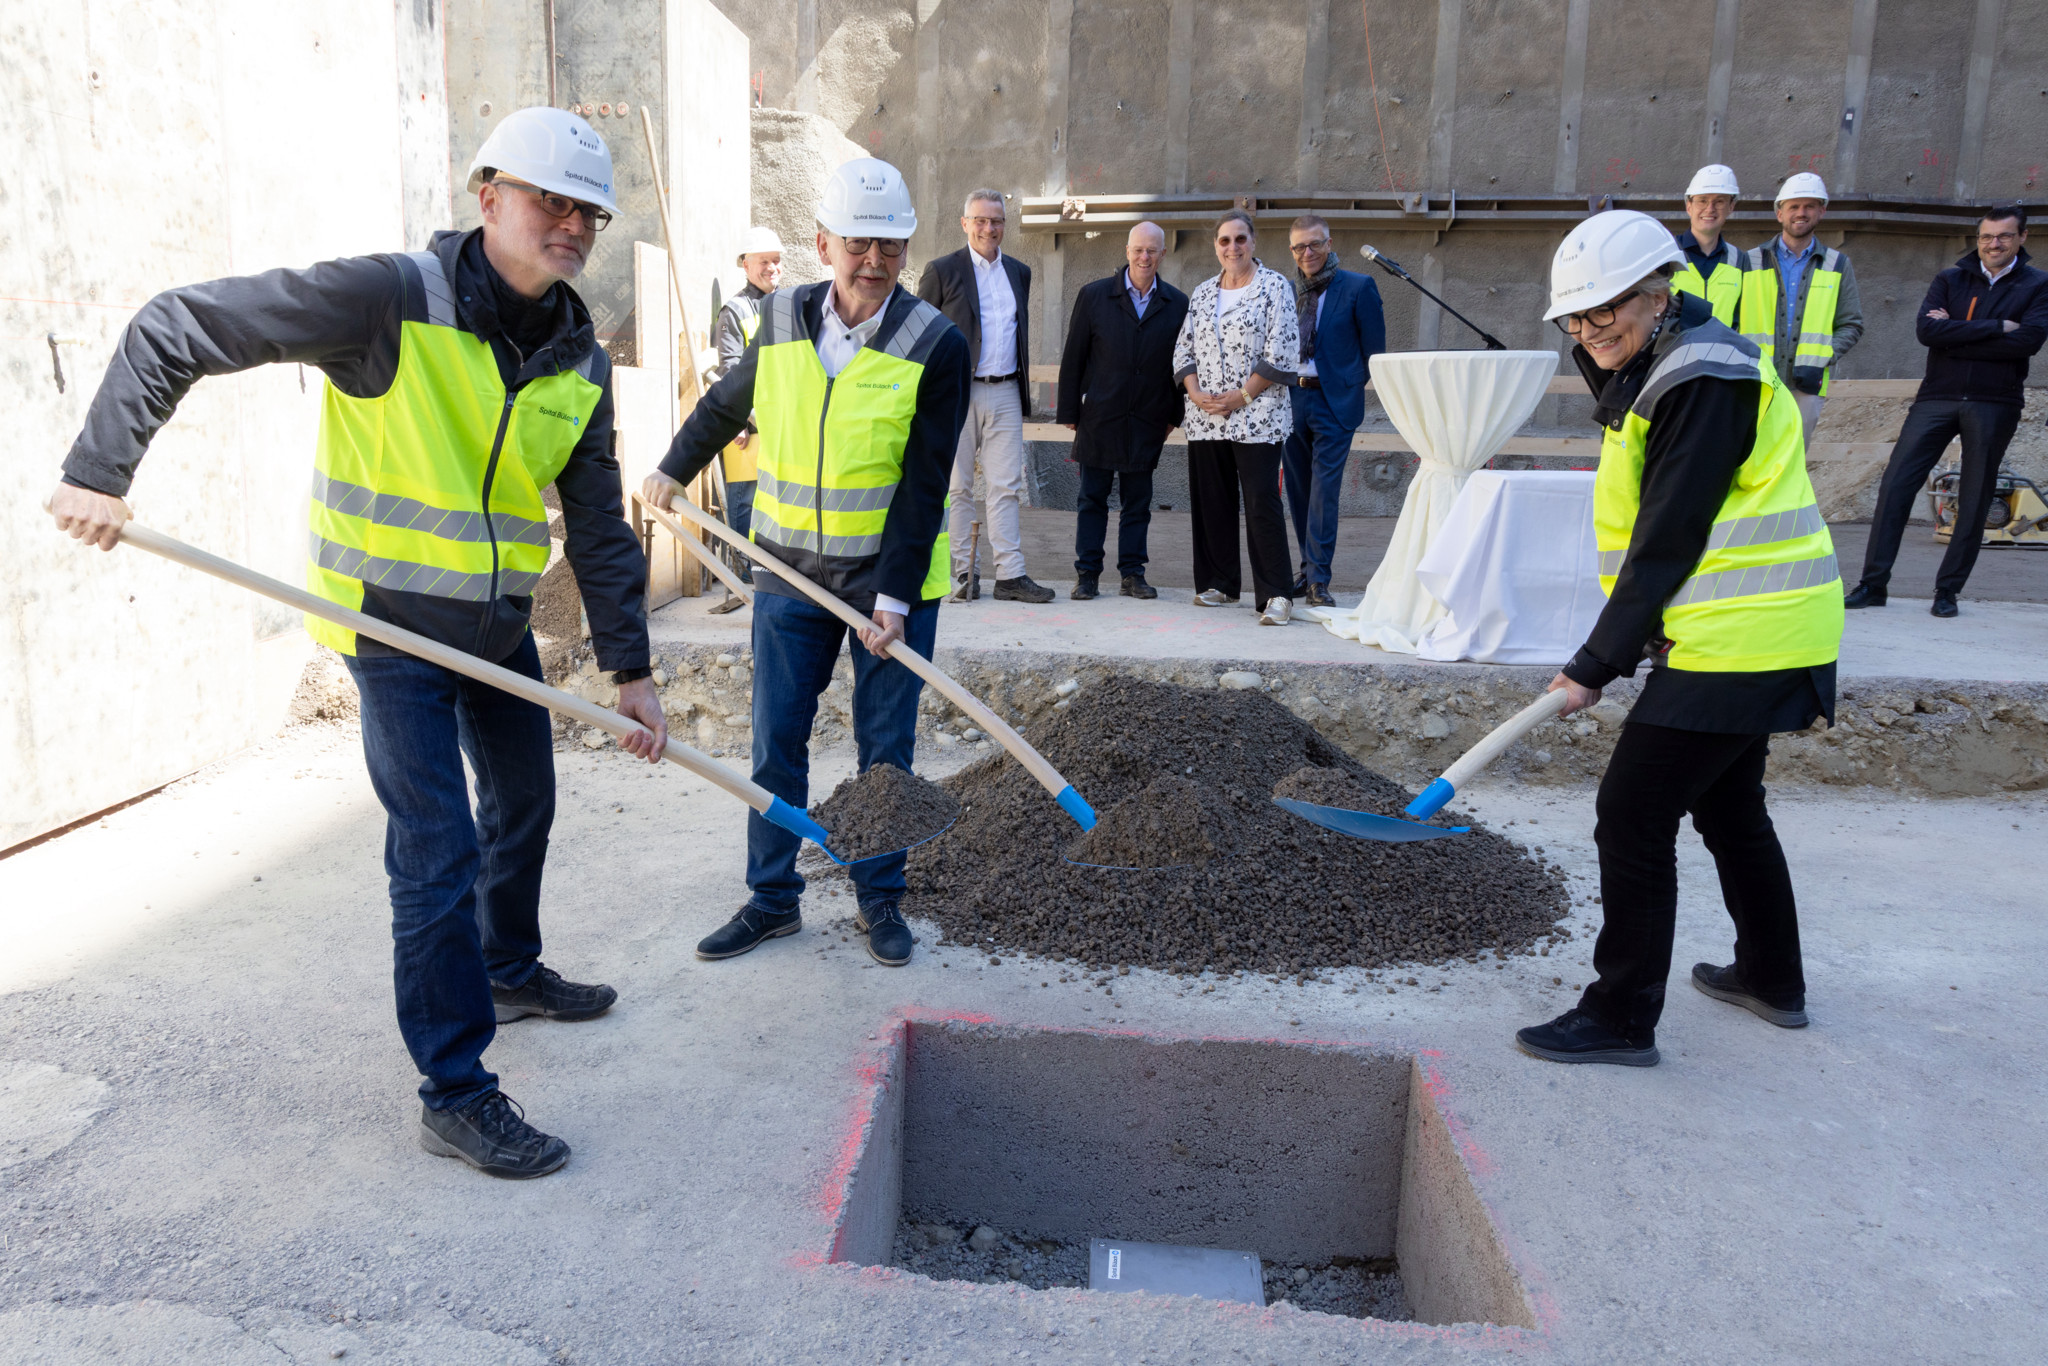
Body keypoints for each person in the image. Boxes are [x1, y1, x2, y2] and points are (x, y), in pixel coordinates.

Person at [47, 108, 666, 1179]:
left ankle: (507, 964)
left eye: (586, 213)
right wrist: (102, 468)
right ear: (487, 200)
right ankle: (456, 1091)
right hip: (388, 630)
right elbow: (177, 324)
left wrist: (634, 670)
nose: (569, 223)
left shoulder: (578, 358)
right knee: (435, 850)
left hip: (495, 626)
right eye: (545, 201)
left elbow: (602, 523)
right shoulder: (387, 301)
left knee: (524, 800)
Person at [1515, 210, 1844, 1068]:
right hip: (1752, 632)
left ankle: (1621, 1018)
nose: (1591, 334)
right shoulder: (1672, 363)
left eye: (1607, 313)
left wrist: (1596, 663)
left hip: (1745, 637)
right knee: (1731, 808)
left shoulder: (1701, 376)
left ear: (1658, 294)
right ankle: (1773, 978)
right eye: (1576, 322)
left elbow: (1669, 535)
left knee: (1631, 812)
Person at [644, 158, 968, 969]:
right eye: (858, 243)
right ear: (824, 243)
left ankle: (879, 898)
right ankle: (772, 898)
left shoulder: (937, 344)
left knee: (885, 753)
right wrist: (671, 469)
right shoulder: (782, 316)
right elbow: (728, 403)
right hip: (788, 573)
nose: (874, 261)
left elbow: (926, 484)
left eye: (890, 247)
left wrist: (894, 597)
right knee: (776, 741)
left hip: (889, 584)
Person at [1847, 207, 2048, 618]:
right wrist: (1997, 327)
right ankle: (1873, 584)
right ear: (1978, 238)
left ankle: (1947, 591)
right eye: (1986, 236)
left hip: (1996, 402)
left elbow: (2027, 341)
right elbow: (1927, 332)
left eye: (2004, 237)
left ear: (2022, 238)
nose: (1994, 244)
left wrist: (1955, 332)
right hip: (1937, 397)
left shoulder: (2039, 285)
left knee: (1974, 499)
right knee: (1896, 486)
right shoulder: (1950, 278)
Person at [916, 189, 1051, 603]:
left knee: (1005, 486)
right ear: (964, 223)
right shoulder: (941, 271)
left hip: (1007, 389)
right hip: (956, 394)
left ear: (1004, 226)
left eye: (996, 221)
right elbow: (922, 334)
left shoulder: (1019, 272)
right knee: (957, 488)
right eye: (980, 220)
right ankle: (963, 575)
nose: (988, 228)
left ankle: (1010, 575)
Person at [1173, 209, 1300, 624]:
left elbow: (1281, 350)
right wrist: (1195, 393)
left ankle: (1276, 595)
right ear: (1216, 246)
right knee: (1212, 501)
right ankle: (1219, 583)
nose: (1233, 247)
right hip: (1206, 414)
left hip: (1258, 414)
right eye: (1225, 241)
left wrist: (1241, 396)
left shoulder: (1275, 287)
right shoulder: (1204, 292)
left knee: (1262, 501)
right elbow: (1184, 351)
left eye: (1240, 239)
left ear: (1253, 242)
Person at [1055, 221, 1190, 600]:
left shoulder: (1178, 304)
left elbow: (1183, 364)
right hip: (1100, 416)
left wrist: (1172, 417)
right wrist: (1069, 411)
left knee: (1138, 502)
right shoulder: (1095, 296)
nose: (1144, 257)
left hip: (1147, 419)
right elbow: (1074, 357)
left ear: (1163, 254)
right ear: (1127, 252)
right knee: (1091, 498)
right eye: (1138, 250)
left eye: (1152, 251)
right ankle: (1087, 574)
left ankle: (1132, 573)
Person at [1280, 213, 1385, 607]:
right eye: (1299, 247)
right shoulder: (1285, 290)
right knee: (1299, 491)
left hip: (1334, 402)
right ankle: (1307, 570)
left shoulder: (1359, 287)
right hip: (1292, 399)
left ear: (1329, 242)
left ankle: (1318, 581)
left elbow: (1375, 354)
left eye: (1315, 244)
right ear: (1292, 250)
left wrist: (1347, 385)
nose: (1308, 253)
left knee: (1324, 492)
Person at [1738, 172, 1863, 445]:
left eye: (1809, 206)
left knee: (1793, 462)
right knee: (1749, 457)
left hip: (1806, 386)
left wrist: (1824, 355)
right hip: (1756, 381)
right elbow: (1732, 320)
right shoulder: (1750, 260)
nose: (1801, 213)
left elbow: (1852, 324)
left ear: (1821, 211)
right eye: (1793, 206)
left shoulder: (1837, 264)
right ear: (1779, 213)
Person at [707, 225, 785, 605]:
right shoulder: (734, 311)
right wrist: (742, 418)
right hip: (748, 425)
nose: (772, 268)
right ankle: (743, 579)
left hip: (780, 422)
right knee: (745, 503)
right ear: (745, 264)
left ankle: (766, 575)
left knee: (774, 501)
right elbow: (730, 370)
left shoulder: (786, 306)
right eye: (764, 262)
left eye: (776, 261)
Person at [1671, 164, 1745, 326]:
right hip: (1675, 350)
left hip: (1723, 350)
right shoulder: (1667, 254)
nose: (1710, 209)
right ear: (1689, 206)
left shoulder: (1740, 260)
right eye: (1702, 201)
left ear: (1731, 207)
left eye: (1719, 201)